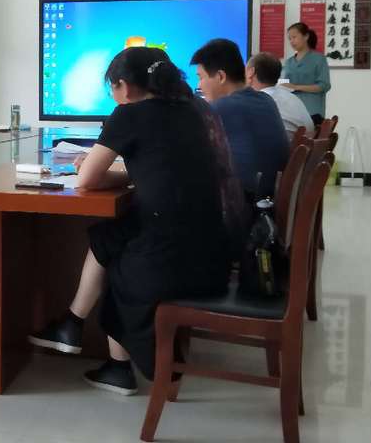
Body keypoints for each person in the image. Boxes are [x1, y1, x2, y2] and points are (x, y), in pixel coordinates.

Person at [28, 47, 233, 395]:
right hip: (213, 254)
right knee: (109, 235)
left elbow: (85, 181)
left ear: (123, 86)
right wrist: (107, 172)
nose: (112, 95)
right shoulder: (190, 110)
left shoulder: (129, 114)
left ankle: (103, 351)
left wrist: (91, 167)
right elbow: (152, 172)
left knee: (120, 259)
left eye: (111, 87)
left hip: (173, 264)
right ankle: (80, 333)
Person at [190, 39, 289, 201]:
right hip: (269, 198)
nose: (199, 85)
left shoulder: (221, 108)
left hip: (246, 204)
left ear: (221, 76)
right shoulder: (266, 100)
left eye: (201, 77)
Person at [247, 52, 314, 141]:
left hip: (280, 148)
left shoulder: (257, 103)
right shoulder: (292, 97)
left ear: (251, 72)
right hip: (302, 147)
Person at [280, 22, 331, 126]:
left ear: (306, 36)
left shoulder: (319, 59)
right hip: (291, 113)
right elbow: (284, 85)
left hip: (313, 112)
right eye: (289, 39)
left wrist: (296, 87)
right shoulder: (289, 62)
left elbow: (324, 85)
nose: (292, 41)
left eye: (294, 37)